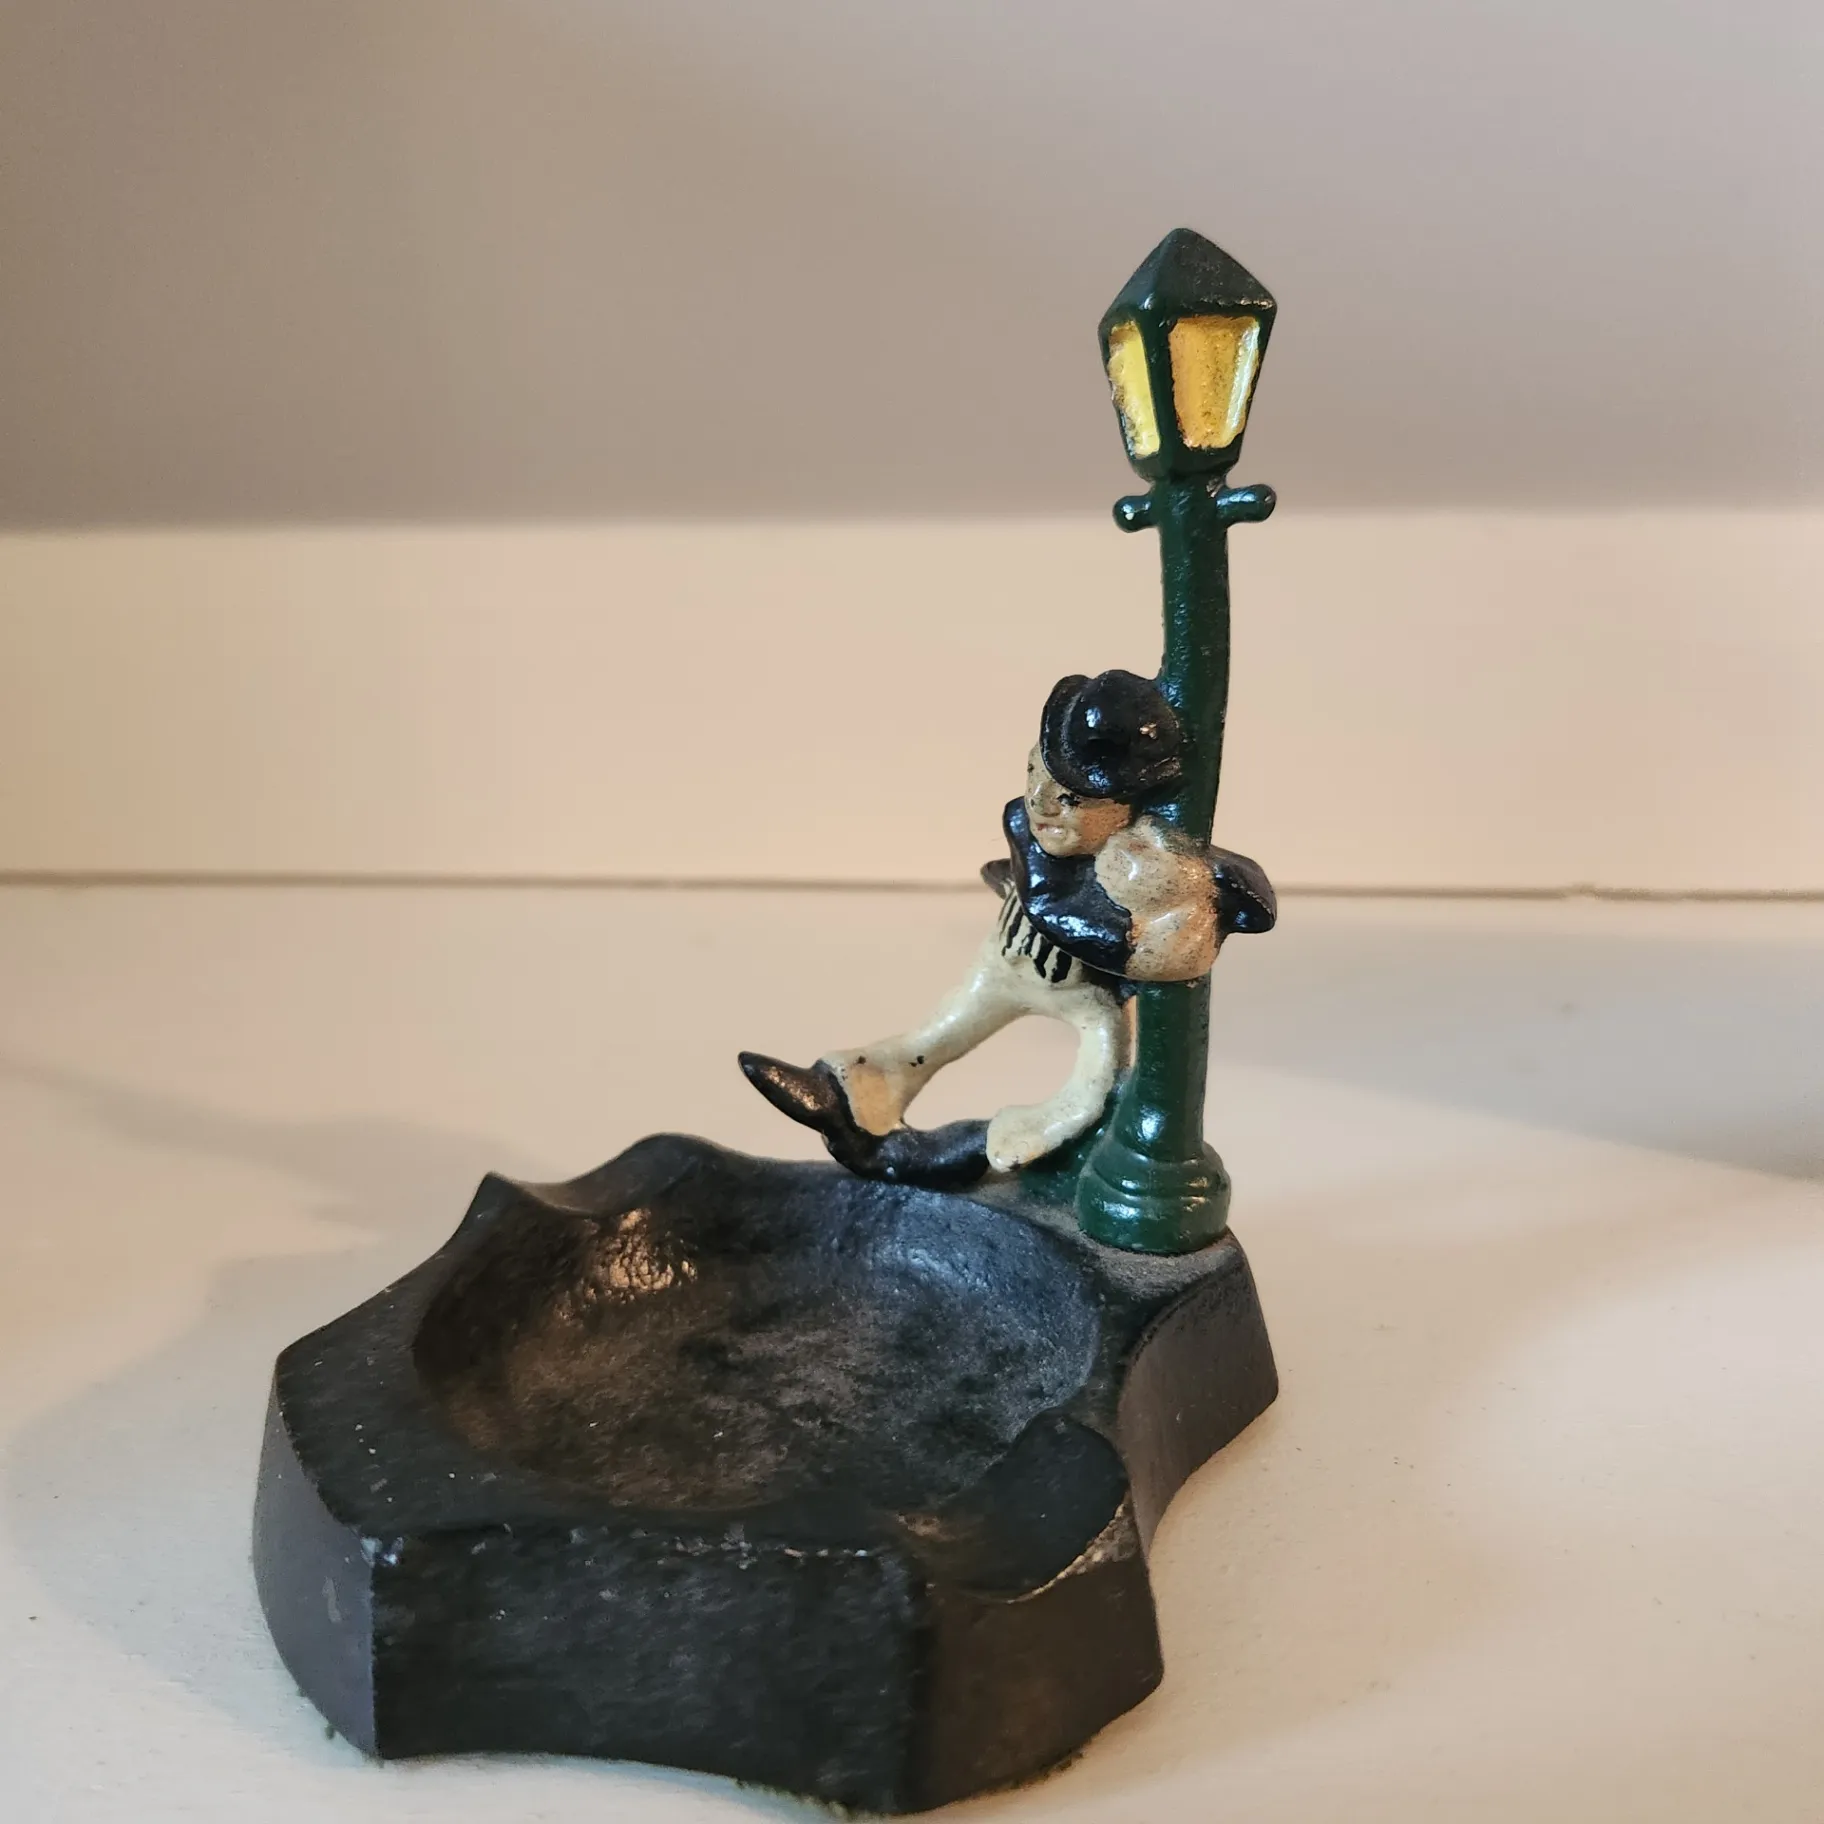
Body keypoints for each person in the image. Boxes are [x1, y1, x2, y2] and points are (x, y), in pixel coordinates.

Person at [740, 670, 1274, 1188]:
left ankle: (1005, 1145)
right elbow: (1050, 903)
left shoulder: (1140, 862)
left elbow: (1239, 915)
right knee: (935, 1036)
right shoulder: (1026, 825)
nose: (1042, 803)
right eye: (1033, 774)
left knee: (1095, 1083)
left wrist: (1187, 889)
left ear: (1128, 810)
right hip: (1007, 958)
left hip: (1087, 998)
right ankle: (847, 1091)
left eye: (1071, 798)